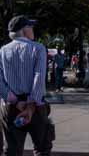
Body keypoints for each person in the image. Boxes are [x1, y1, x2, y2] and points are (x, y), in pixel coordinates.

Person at [1, 15, 53, 156]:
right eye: (30, 26)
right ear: (24, 30)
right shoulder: (38, 48)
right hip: (36, 107)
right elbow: (39, 77)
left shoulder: (3, 51)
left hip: (11, 107)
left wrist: (16, 101)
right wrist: (30, 105)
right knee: (42, 148)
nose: (33, 29)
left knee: (12, 150)